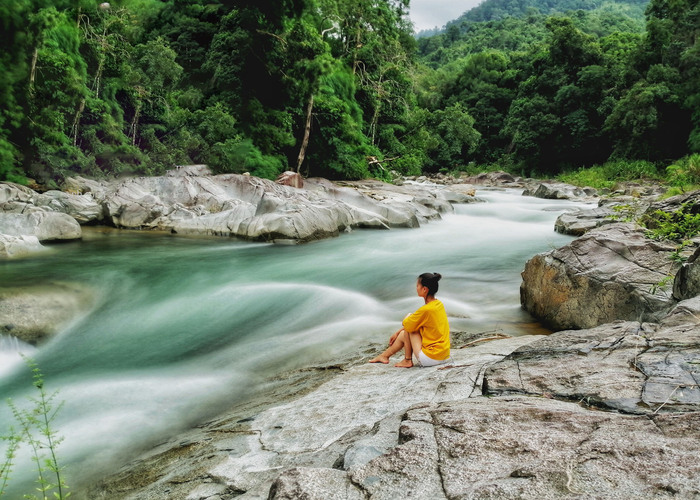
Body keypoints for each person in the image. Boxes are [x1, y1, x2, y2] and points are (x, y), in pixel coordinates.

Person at [369, 272, 450, 368]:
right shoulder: (438, 304)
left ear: (424, 289)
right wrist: (398, 332)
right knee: (405, 331)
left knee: (408, 320)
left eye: (417, 286)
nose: (416, 288)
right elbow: (414, 324)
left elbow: (408, 325)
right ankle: (384, 356)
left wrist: (406, 320)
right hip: (444, 355)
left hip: (431, 358)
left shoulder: (426, 310)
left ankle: (407, 360)